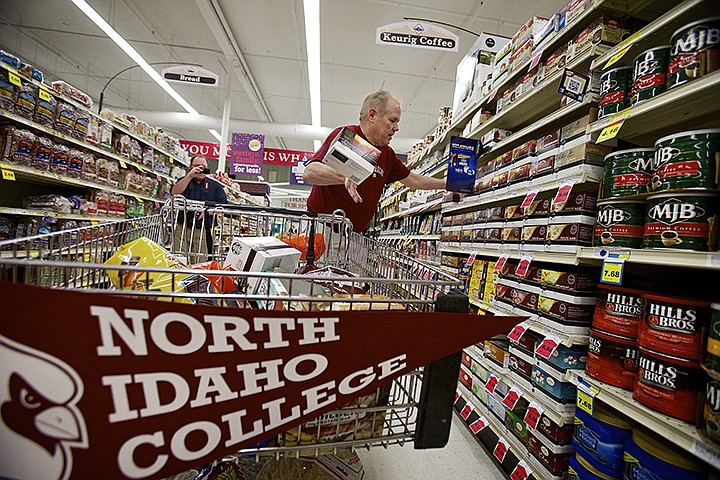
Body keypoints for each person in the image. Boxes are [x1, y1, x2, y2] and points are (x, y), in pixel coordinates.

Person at [303, 90, 446, 234]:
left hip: (355, 235)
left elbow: (413, 179)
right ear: (372, 115)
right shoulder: (349, 137)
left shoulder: (387, 154)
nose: (396, 128)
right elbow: (310, 173)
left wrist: (448, 184)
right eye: (392, 120)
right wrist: (344, 177)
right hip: (325, 230)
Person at [170, 154, 227, 259]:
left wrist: (207, 212)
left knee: (200, 261)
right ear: (191, 167)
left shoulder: (215, 186)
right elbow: (175, 193)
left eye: (203, 167)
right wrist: (189, 176)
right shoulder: (184, 181)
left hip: (203, 230)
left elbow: (223, 205)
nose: (201, 169)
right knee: (179, 258)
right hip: (182, 227)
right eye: (197, 166)